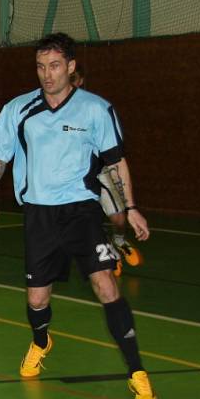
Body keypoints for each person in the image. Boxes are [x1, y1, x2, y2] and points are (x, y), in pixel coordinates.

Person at [0, 33, 157, 399]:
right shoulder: (19, 108)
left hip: (81, 211)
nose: (47, 74)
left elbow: (115, 161)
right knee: (37, 299)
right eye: (41, 67)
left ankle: (137, 371)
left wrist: (132, 205)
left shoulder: (96, 109)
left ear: (71, 67)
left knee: (106, 285)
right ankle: (41, 340)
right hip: (39, 214)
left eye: (55, 66)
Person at [71, 64, 144, 276]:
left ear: (81, 80)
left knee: (118, 218)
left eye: (74, 79)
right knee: (87, 221)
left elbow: (115, 152)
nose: (71, 83)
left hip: (100, 172)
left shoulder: (95, 108)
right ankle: (106, 252)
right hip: (74, 179)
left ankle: (119, 241)